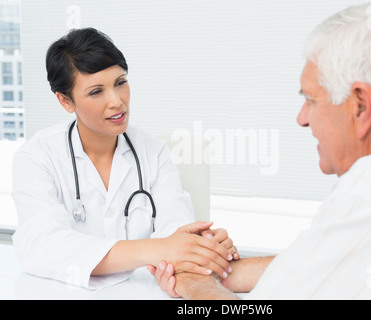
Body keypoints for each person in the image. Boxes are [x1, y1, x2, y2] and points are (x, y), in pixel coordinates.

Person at [151, 2, 371, 299]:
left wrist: (195, 282)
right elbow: (334, 266)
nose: (302, 118)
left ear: (360, 105)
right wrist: (222, 271)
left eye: (311, 99)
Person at [12, 28, 238, 289]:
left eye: (120, 82)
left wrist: (203, 245)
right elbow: (44, 246)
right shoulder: (37, 157)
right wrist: (158, 250)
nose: (117, 101)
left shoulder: (154, 152)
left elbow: (176, 231)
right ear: (65, 101)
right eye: (96, 92)